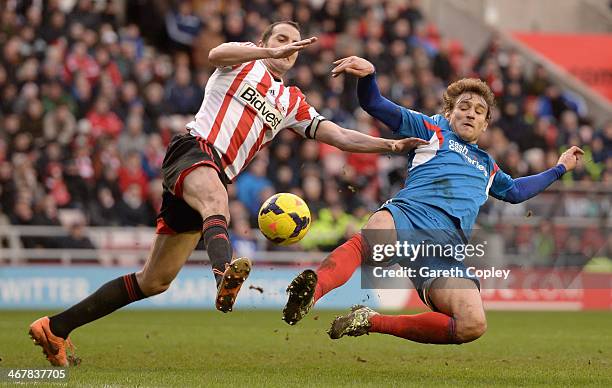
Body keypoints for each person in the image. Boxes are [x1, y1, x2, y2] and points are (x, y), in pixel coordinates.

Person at [28, 22, 425, 366]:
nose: (289, 47)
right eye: (281, 38)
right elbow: (217, 51)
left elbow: (337, 134)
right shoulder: (245, 60)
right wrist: (268, 49)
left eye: (295, 43)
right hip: (194, 150)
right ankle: (224, 276)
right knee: (219, 206)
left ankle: (55, 327)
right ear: (265, 41)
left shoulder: (291, 102)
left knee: (154, 281)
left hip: (215, 173)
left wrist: (389, 147)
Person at [282, 56, 584, 345]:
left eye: (479, 111)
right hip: (409, 216)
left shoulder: (489, 166)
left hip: (443, 251)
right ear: (449, 112)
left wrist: (559, 168)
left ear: (486, 124)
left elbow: (516, 192)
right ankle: (311, 292)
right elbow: (374, 104)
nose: (470, 113)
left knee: (472, 324)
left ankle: (369, 321)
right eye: (463, 107)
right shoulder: (432, 129)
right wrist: (369, 77)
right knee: (373, 241)